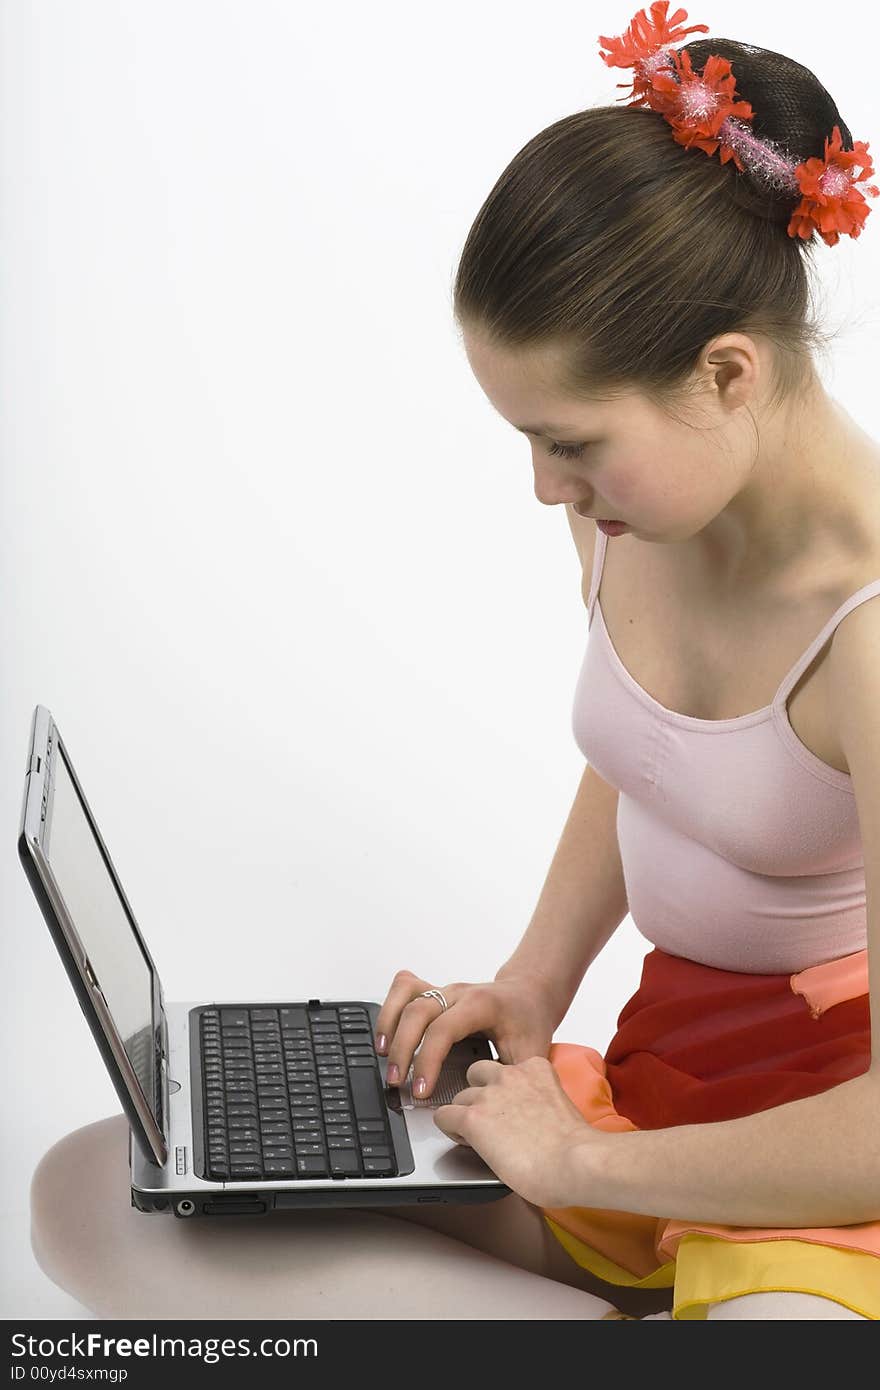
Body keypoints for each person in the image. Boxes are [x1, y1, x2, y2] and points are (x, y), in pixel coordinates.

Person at [31, 4, 879, 1320]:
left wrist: (580, 1158)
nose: (546, 486)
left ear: (725, 374)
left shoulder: (868, 630)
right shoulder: (642, 514)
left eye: (571, 439)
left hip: (823, 1184)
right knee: (94, 1185)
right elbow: (649, 761)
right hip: (656, 1104)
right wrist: (533, 986)